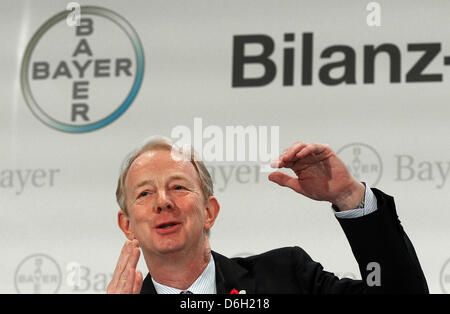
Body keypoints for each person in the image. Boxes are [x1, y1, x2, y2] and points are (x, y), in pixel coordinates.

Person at [106, 137, 428, 294]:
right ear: (127, 226)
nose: (162, 202)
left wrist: (348, 197)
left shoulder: (287, 278)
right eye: (145, 193)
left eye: (177, 187)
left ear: (209, 212)